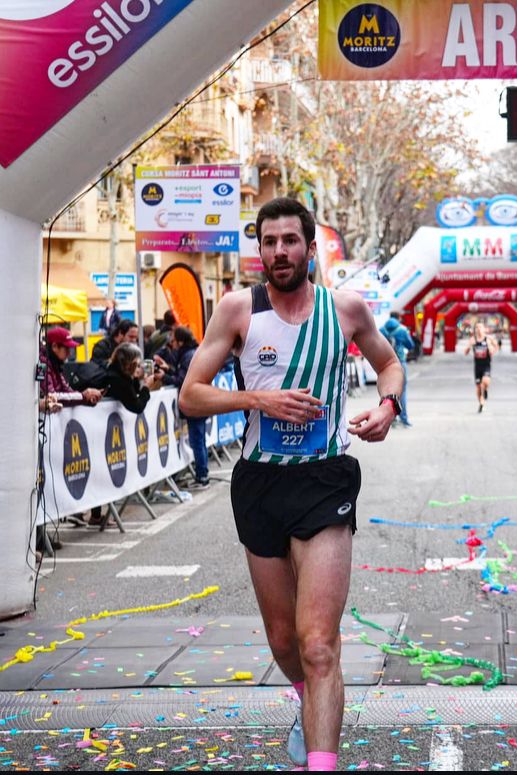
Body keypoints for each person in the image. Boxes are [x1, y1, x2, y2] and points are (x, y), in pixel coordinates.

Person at [179, 197, 402, 772]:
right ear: (259, 250)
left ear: (308, 247)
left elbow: (389, 363)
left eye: (290, 241)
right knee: (283, 640)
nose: (280, 252)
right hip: (260, 485)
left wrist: (387, 405)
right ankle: (309, 703)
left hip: (325, 480)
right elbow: (191, 395)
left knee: (318, 643)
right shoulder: (237, 312)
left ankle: (321, 758)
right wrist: (258, 398)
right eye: (269, 242)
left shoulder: (345, 309)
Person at [163, 326, 208, 489]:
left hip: (195, 404)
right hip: (200, 402)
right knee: (199, 440)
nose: (172, 344)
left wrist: (165, 376)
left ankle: (202, 476)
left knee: (197, 440)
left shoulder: (188, 356)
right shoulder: (193, 352)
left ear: (181, 341)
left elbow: (182, 380)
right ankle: (202, 474)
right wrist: (169, 369)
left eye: (174, 341)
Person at [39, 327, 102, 413]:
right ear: (54, 346)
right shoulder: (43, 363)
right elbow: (52, 396)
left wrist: (87, 398)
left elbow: (66, 390)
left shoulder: (55, 363)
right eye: (67, 348)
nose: (69, 353)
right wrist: (83, 396)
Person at [104, 342, 157, 415]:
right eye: (137, 365)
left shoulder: (114, 370)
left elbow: (133, 393)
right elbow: (137, 407)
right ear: (128, 363)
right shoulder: (118, 380)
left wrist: (135, 378)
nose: (139, 367)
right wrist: (146, 387)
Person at [381, 312, 413, 427]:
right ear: (399, 318)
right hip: (400, 362)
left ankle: (391, 419)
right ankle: (404, 419)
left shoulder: (382, 330)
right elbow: (411, 345)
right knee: (402, 391)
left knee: (387, 391)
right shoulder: (402, 330)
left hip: (385, 364)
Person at [463, 322, 498, 412]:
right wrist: (469, 347)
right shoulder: (472, 339)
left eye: (480, 327)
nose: (478, 329)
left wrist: (492, 351)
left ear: (484, 329)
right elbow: (465, 352)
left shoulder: (488, 339)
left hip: (486, 364)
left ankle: (485, 389)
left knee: (485, 382)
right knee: (478, 387)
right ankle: (481, 402)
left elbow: (496, 346)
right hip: (477, 366)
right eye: (476, 327)